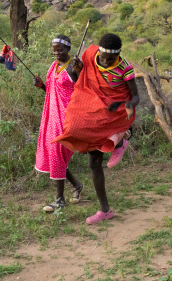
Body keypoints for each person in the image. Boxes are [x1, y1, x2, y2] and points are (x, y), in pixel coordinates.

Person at [53, 33, 140, 225]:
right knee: (93, 162)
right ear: (99, 52)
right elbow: (82, 82)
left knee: (96, 159)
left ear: (118, 55)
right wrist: (78, 70)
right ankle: (105, 210)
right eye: (103, 58)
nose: (106, 62)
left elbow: (135, 96)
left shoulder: (125, 68)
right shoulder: (91, 56)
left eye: (111, 59)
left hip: (115, 111)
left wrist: (130, 104)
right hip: (94, 110)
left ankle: (121, 139)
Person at [33, 35, 84, 212]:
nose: (56, 53)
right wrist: (41, 86)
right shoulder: (54, 66)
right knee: (57, 156)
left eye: (60, 50)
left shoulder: (74, 67)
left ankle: (59, 199)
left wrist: (80, 72)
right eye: (54, 50)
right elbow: (52, 91)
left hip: (69, 118)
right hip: (52, 117)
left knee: (58, 154)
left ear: (68, 49)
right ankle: (76, 185)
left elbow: (84, 89)